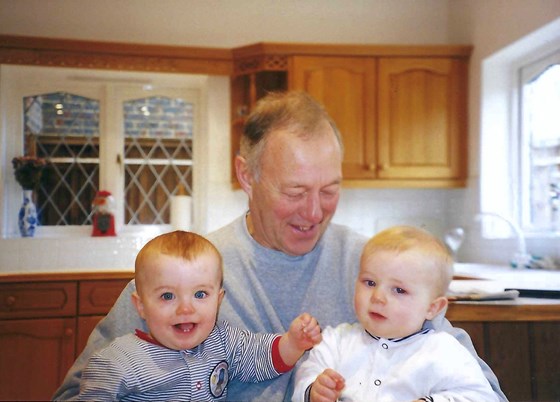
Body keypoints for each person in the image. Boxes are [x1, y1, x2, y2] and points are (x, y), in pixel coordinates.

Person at [53, 91, 506, 401]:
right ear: (247, 176)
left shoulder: (379, 270)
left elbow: (480, 387)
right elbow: (79, 391)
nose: (314, 211)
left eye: (330, 189)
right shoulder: (185, 273)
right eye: (294, 192)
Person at [74, 230, 321, 401]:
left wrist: (293, 342)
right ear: (140, 306)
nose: (185, 308)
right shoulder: (116, 361)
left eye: (200, 294)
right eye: (168, 296)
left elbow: (262, 357)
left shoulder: (223, 342)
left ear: (219, 300)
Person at [292, 226, 499, 402]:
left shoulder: (443, 351)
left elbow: (481, 396)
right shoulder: (335, 341)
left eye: (399, 290)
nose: (378, 297)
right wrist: (314, 390)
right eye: (370, 283)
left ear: (432, 308)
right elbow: (306, 376)